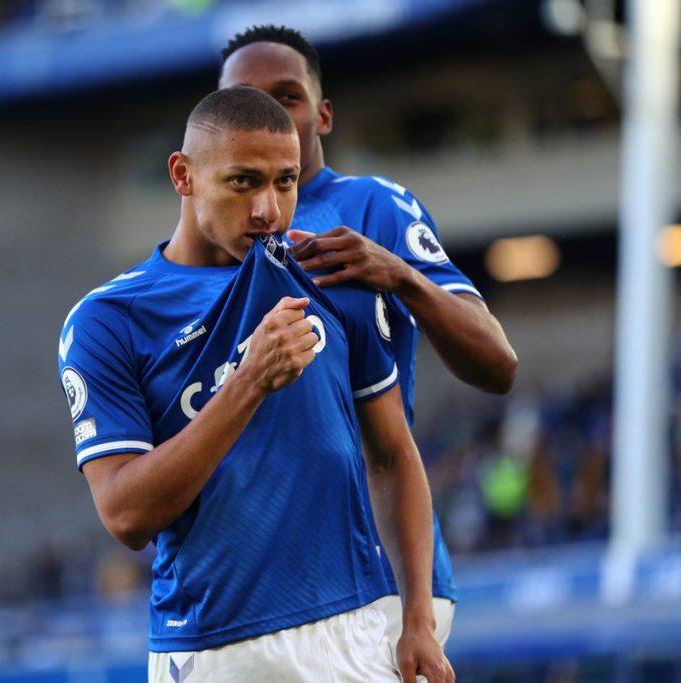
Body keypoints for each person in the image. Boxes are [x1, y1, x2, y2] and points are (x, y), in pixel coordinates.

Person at [58, 86, 453, 682]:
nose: (269, 209)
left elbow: (393, 456)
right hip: (216, 647)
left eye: (285, 182)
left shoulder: (335, 277)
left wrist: (417, 618)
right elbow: (126, 515)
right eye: (243, 182)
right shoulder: (109, 319)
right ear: (183, 175)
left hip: (356, 631)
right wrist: (247, 383)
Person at [219, 24, 519, 653]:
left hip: (380, 577)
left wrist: (401, 275)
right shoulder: (209, 244)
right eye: (246, 99)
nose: (268, 113)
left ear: (323, 115)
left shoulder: (372, 207)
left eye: (287, 96)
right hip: (255, 587)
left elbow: (497, 364)